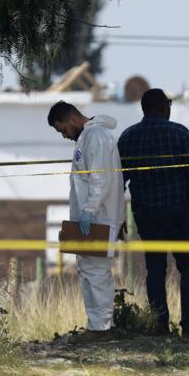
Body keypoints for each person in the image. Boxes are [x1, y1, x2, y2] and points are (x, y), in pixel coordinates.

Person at [117, 88, 189, 338]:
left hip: (147, 214)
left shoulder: (128, 138)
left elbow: (117, 182)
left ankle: (160, 326)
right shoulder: (179, 133)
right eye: (169, 104)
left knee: (156, 269)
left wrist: (118, 216)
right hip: (179, 211)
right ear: (163, 107)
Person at [47, 100, 125, 342]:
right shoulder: (88, 138)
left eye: (63, 130)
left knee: (96, 273)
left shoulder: (96, 137)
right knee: (89, 271)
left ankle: (101, 329)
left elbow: (99, 180)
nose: (64, 136)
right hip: (93, 219)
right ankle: (97, 325)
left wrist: (89, 211)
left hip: (97, 219)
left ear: (72, 119)